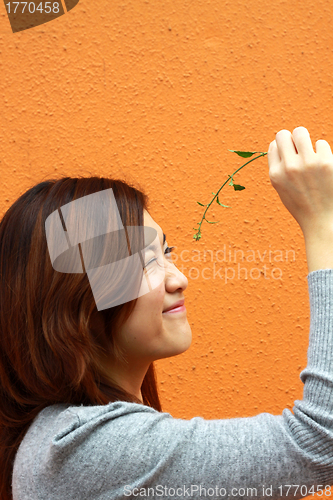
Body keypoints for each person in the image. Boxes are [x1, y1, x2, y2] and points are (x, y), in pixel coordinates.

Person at [1, 126, 333, 500]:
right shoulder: (82, 447)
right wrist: (323, 222)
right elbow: (322, 441)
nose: (179, 279)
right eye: (144, 260)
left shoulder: (68, 440)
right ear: (76, 299)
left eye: (166, 251)